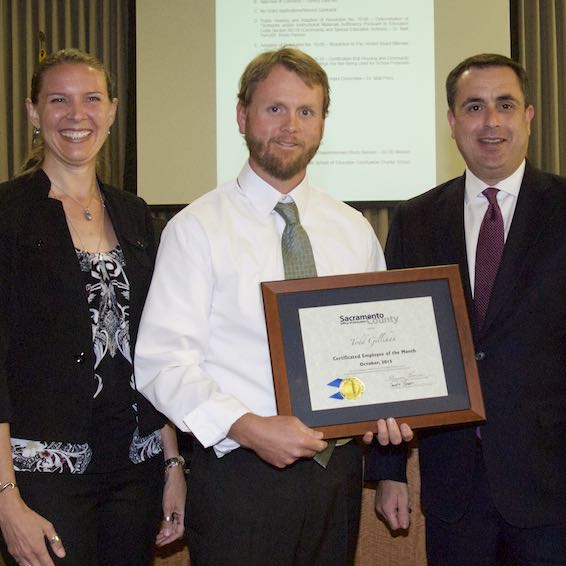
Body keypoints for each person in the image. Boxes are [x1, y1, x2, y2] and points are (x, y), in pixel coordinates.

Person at [135, 47, 413, 566]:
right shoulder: (196, 229)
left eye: (306, 112)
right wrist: (248, 427)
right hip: (242, 476)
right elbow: (161, 364)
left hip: (338, 475)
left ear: (323, 125)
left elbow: (379, 346)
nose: (291, 126)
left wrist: (391, 405)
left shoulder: (353, 230)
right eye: (274, 109)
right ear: (242, 116)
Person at [367, 53, 566, 565]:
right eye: (474, 107)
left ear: (529, 116)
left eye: (505, 105)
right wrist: (389, 470)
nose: (491, 121)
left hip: (551, 485)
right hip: (454, 486)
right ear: (452, 122)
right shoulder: (415, 219)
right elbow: (391, 344)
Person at [0, 48, 186, 566]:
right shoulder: (7, 216)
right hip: (42, 476)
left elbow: (157, 346)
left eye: (91, 99)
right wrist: (5, 500)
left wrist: (173, 467)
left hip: (137, 469)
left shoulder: (135, 214)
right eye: (58, 100)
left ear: (112, 110)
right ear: (33, 113)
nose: (76, 115)